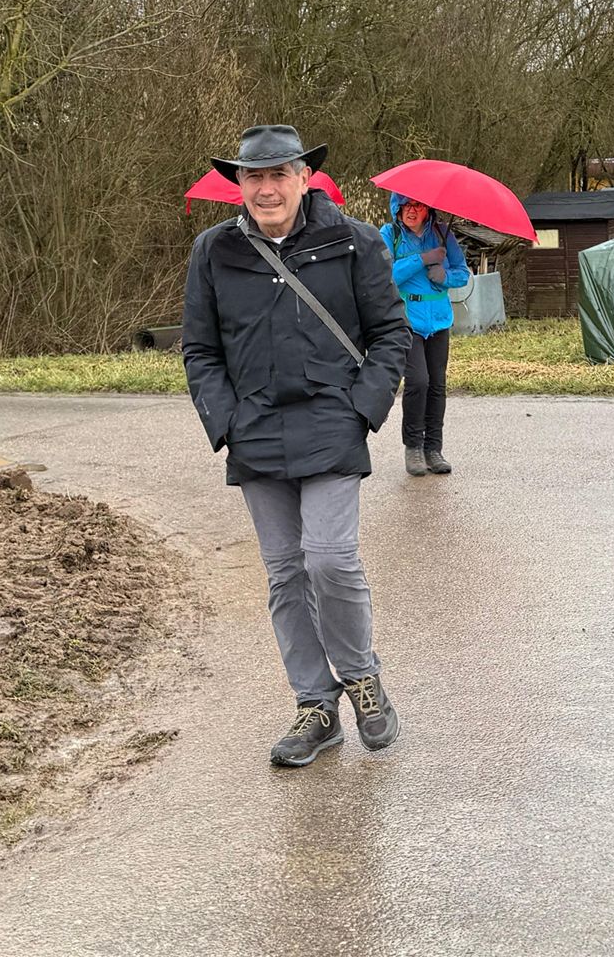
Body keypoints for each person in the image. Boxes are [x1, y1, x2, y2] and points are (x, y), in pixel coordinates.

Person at [181, 124, 413, 768]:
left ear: (304, 178)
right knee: (285, 572)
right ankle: (316, 706)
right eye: (253, 176)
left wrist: (362, 409)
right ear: (239, 184)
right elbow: (200, 348)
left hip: (331, 423)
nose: (266, 188)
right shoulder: (214, 251)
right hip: (254, 431)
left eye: (279, 174)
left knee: (330, 560)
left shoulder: (354, 241)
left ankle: (361, 677)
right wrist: (225, 422)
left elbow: (391, 333)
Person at [379, 193, 470, 476]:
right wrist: (422, 259)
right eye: (405, 205)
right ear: (397, 208)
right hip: (407, 320)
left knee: (437, 386)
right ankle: (413, 447)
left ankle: (433, 448)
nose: (411, 211)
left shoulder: (442, 234)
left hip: (439, 320)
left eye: (417, 205)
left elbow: (462, 273)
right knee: (418, 381)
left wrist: (445, 276)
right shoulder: (390, 234)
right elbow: (385, 275)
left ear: (427, 208)